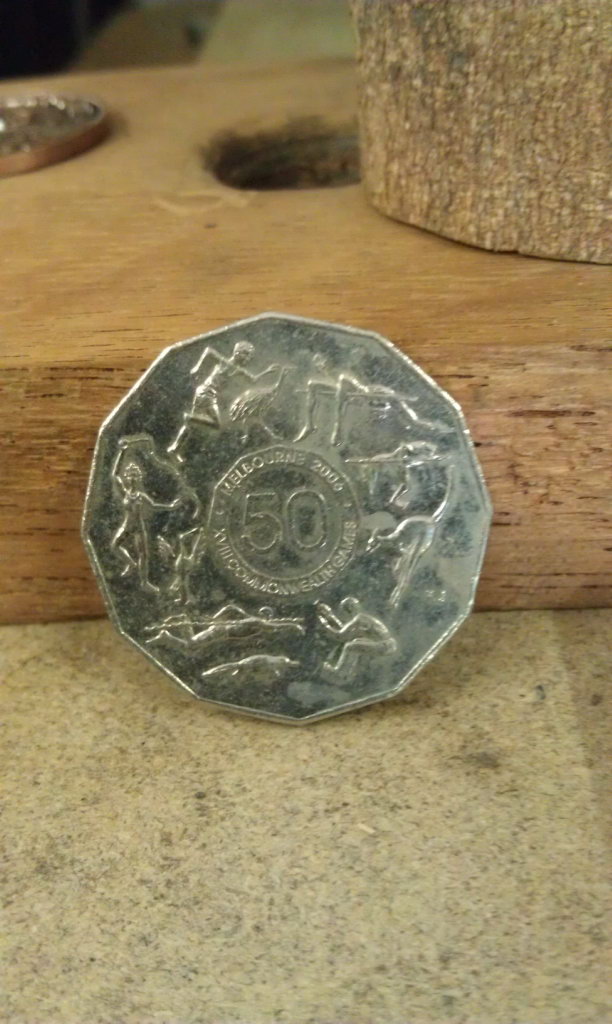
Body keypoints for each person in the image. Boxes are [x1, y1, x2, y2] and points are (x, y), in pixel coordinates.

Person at [168, 340, 254, 459]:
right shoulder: (224, 362)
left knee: (191, 426)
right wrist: (197, 367)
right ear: (238, 353)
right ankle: (189, 418)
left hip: (206, 393)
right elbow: (209, 351)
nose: (248, 358)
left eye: (250, 356)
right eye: (247, 354)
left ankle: (175, 448)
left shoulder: (237, 369)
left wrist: (267, 373)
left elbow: (252, 378)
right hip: (206, 393)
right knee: (216, 423)